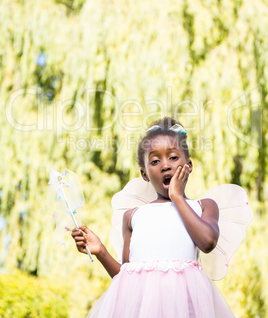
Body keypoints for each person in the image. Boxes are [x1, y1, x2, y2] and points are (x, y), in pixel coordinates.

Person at [72, 117, 235, 317]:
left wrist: (176, 196)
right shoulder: (133, 217)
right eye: (155, 161)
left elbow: (207, 241)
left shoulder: (203, 207)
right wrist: (101, 252)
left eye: (173, 157)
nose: (165, 166)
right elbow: (126, 281)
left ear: (189, 165)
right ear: (145, 174)